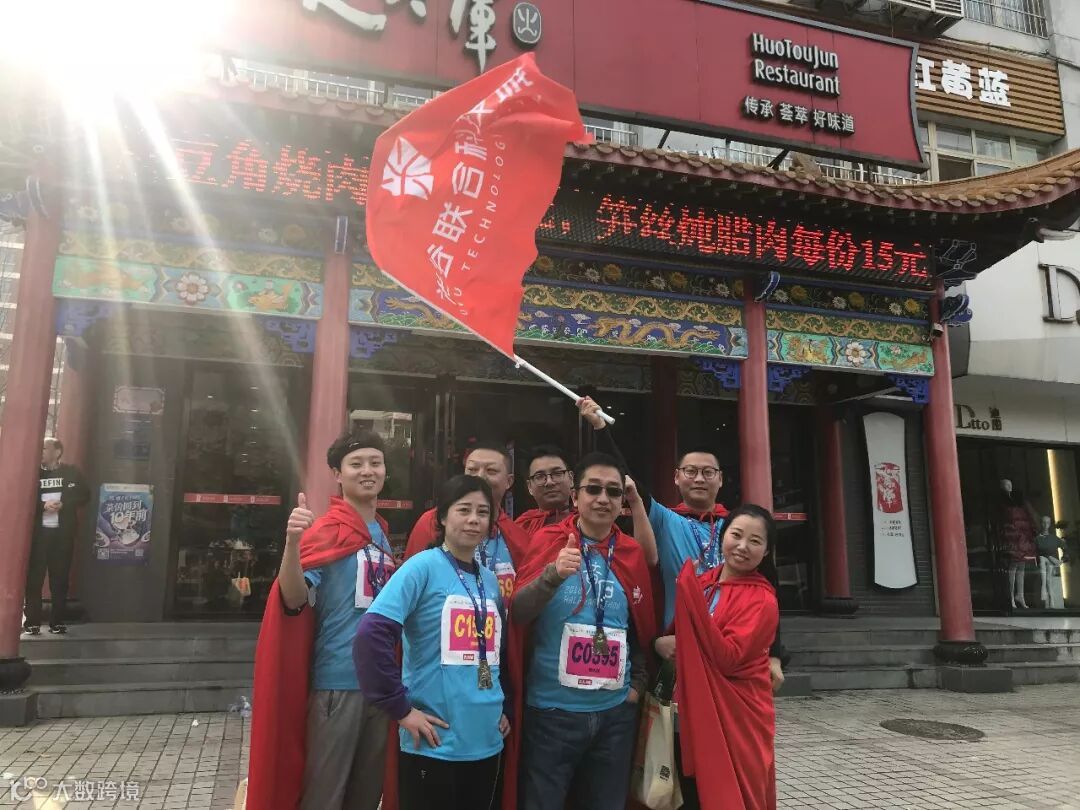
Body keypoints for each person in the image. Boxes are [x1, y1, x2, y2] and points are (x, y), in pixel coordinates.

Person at [577, 397, 787, 690]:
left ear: (721, 480)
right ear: (676, 478)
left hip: (736, 653)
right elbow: (628, 481)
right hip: (679, 651)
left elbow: (767, 589)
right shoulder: (666, 521)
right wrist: (601, 428)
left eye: (708, 472)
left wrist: (775, 655)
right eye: (690, 471)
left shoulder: (738, 530)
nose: (699, 478)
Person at [246, 429, 395, 810]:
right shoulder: (325, 531)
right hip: (336, 686)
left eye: (375, 462)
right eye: (356, 464)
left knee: (366, 797)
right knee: (324, 798)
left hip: (381, 687)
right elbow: (293, 599)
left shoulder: (383, 534)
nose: (368, 470)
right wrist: (292, 544)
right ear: (338, 474)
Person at [507, 451, 656, 810]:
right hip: (551, 715)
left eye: (613, 491)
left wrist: (637, 685)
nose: (603, 498)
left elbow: (641, 627)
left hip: (615, 714)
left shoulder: (631, 552)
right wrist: (553, 575)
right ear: (575, 496)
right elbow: (518, 614)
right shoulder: (549, 541)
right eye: (593, 489)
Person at [355, 475, 510, 810]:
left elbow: (498, 650)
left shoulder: (489, 581)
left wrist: (504, 706)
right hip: (434, 742)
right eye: (463, 510)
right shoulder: (421, 568)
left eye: (482, 512)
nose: (474, 519)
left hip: (486, 740)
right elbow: (371, 635)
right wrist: (400, 709)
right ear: (442, 517)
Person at [673, 504, 780, 810]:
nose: (743, 546)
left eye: (755, 541)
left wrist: (688, 593)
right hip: (691, 709)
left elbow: (728, 658)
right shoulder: (705, 583)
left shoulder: (762, 600)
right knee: (690, 795)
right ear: (723, 537)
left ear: (766, 551)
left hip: (738, 717)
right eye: (736, 535)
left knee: (728, 796)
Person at [405, 442, 530, 598]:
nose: (480, 476)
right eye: (472, 470)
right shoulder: (432, 521)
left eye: (491, 470)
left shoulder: (519, 536)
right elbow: (408, 588)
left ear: (509, 481)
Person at [24, 437, 89, 635]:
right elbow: (23, 498)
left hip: (62, 536)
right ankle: (32, 622)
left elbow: (85, 495)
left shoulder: (72, 472)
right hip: (38, 536)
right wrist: (42, 506)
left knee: (59, 580)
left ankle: (57, 622)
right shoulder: (33, 472)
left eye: (44, 448)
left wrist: (65, 504)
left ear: (57, 451)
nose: (41, 451)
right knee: (34, 579)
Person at [515, 445, 574, 536]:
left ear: (571, 479)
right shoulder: (521, 527)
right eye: (540, 476)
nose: (549, 482)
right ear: (529, 486)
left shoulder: (586, 521)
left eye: (557, 473)